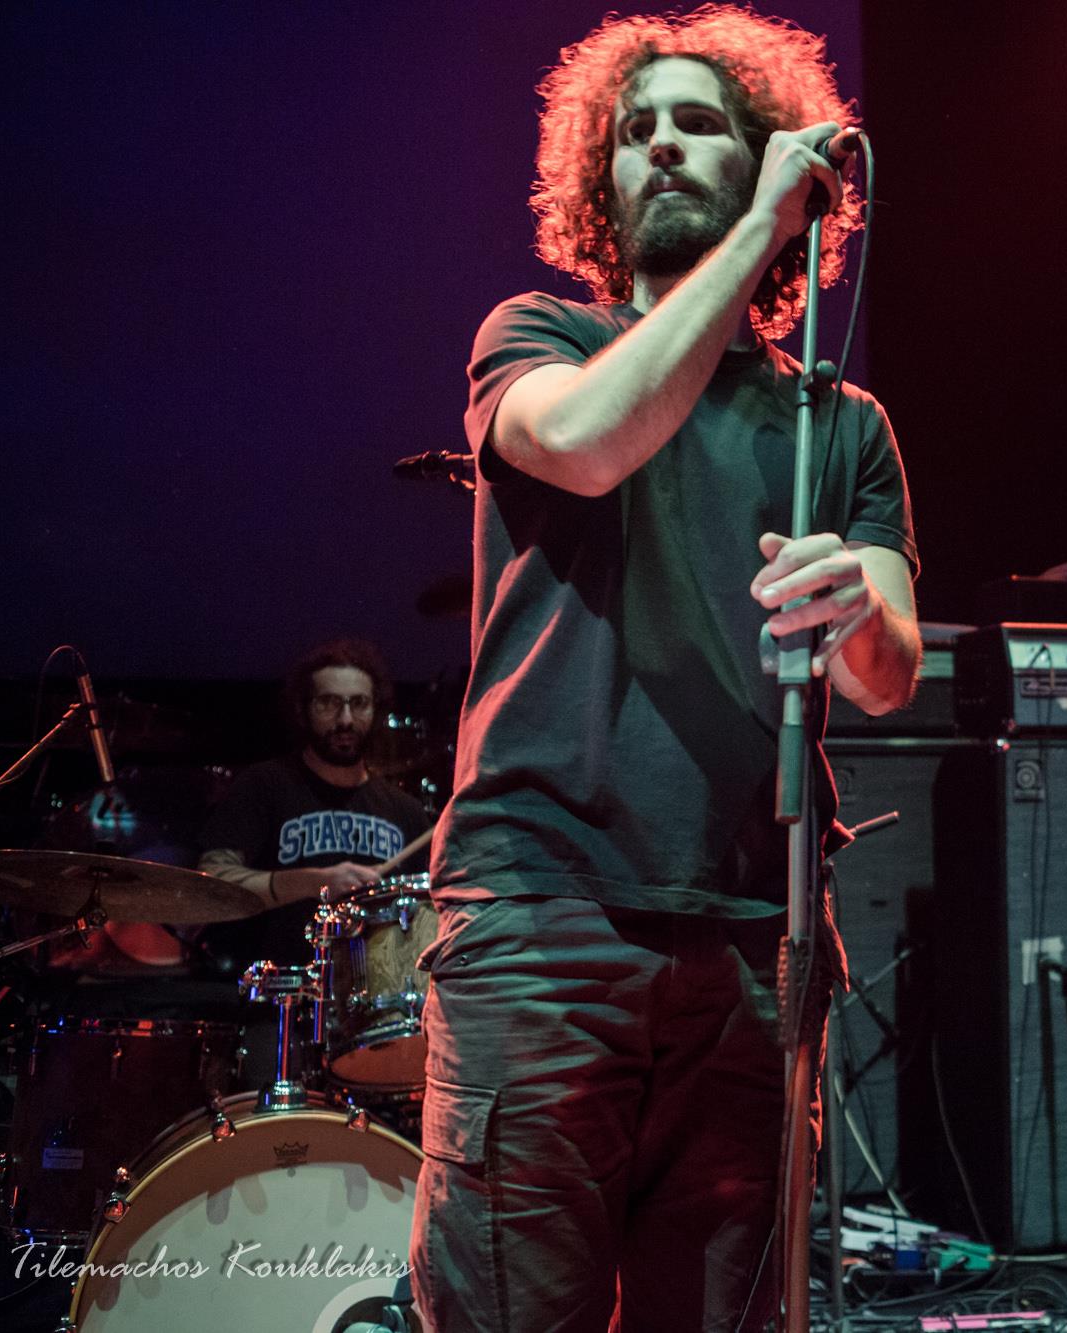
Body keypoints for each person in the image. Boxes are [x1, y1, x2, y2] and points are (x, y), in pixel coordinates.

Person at [412, 8, 920, 1332]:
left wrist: (853, 613)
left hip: (752, 936)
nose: (662, 147)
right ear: (602, 181)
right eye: (635, 131)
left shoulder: (841, 425)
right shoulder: (538, 336)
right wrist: (760, 228)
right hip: (543, 918)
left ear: (763, 154)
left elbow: (890, 673)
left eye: (699, 124)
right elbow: (584, 442)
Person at [197, 637, 431, 973]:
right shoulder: (264, 786)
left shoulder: (406, 812)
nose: (345, 719)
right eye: (329, 703)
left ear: (375, 710)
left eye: (359, 703)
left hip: (374, 997)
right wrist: (314, 882)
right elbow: (212, 885)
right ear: (302, 710)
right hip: (279, 992)